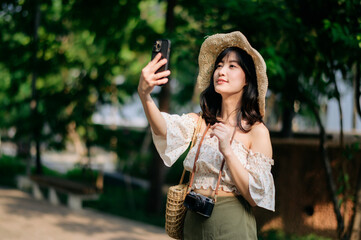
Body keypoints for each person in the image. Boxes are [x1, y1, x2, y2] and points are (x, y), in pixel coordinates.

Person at [138, 31, 275, 240]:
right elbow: (163, 128)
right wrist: (145, 95)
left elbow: (255, 197)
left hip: (231, 224)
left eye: (232, 66)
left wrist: (228, 151)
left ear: (247, 79)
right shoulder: (201, 121)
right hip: (192, 223)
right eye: (219, 65)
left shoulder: (256, 132)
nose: (222, 70)